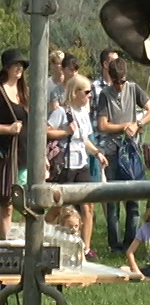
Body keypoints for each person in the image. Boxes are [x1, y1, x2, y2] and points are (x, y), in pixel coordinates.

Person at [97, 58, 150, 252]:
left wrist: (138, 124)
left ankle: (131, 241)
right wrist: (125, 126)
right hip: (112, 151)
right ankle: (115, 245)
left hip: (130, 151)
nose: (120, 86)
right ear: (111, 79)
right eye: (116, 82)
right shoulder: (105, 95)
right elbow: (103, 125)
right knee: (113, 200)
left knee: (133, 199)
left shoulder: (133, 88)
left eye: (122, 81)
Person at [46, 74, 108, 260]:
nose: (90, 96)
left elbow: (85, 140)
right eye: (86, 92)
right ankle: (41, 231)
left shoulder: (84, 114)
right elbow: (46, 131)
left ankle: (85, 248)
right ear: (75, 93)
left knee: (88, 206)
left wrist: (97, 153)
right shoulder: (62, 111)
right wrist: (65, 131)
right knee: (59, 206)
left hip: (81, 164)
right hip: (66, 165)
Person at [0, 49, 29, 239]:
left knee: (28, 203)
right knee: (6, 204)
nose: (19, 68)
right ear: (7, 68)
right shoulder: (0, 92)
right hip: (5, 156)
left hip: (25, 155)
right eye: (15, 64)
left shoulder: (25, 92)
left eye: (21, 65)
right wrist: (8, 130)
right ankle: (5, 247)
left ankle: (29, 244)